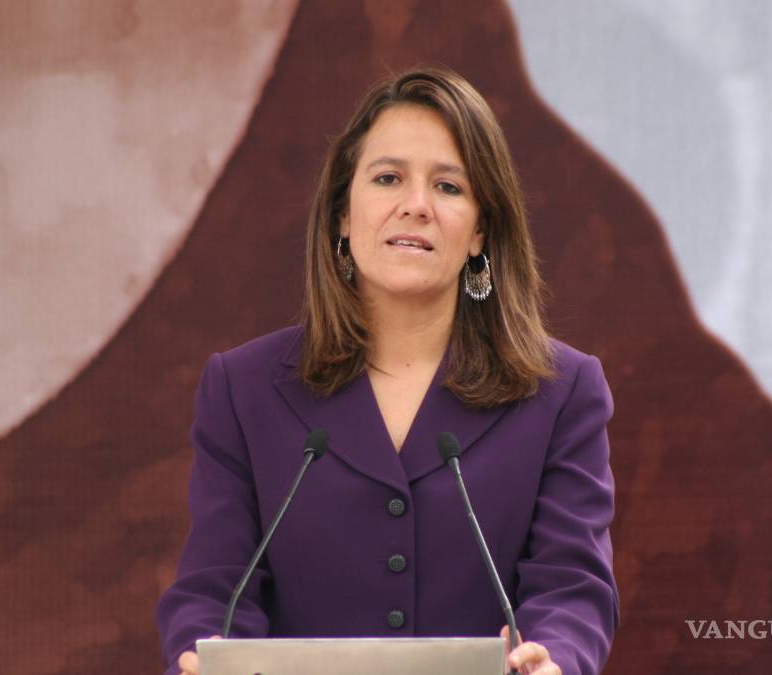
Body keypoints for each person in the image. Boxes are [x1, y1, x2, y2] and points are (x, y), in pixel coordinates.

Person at [155, 65, 618, 675]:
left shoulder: (561, 392)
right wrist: (206, 655)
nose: (416, 206)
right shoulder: (243, 388)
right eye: (388, 178)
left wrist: (552, 657)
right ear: (343, 215)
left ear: (480, 231)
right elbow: (215, 588)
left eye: (448, 187)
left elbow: (572, 586)